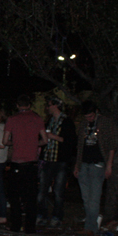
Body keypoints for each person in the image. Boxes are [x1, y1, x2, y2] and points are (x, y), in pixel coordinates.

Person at [3, 94, 47, 234]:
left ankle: (15, 225)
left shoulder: (12, 119)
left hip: (17, 163)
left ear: (17, 105)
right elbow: (45, 140)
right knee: (31, 197)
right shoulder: (37, 119)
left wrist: (14, 142)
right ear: (29, 105)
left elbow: (5, 141)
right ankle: (30, 227)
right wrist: (34, 144)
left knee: (14, 196)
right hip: (31, 164)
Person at [73, 101, 118, 235]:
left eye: (91, 116)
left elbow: (111, 146)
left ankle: (90, 227)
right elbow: (79, 147)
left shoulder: (105, 123)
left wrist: (109, 165)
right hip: (83, 164)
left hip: (97, 164)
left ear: (96, 112)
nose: (89, 119)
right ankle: (90, 224)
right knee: (86, 197)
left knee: (94, 198)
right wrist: (77, 165)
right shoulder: (83, 125)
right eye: (87, 117)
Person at [36, 96, 76, 228]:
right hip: (47, 160)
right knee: (41, 190)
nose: (47, 108)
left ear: (55, 106)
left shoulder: (67, 121)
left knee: (58, 192)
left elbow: (70, 141)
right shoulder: (49, 121)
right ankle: (41, 215)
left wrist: (54, 137)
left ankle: (57, 217)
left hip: (60, 161)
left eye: (49, 105)